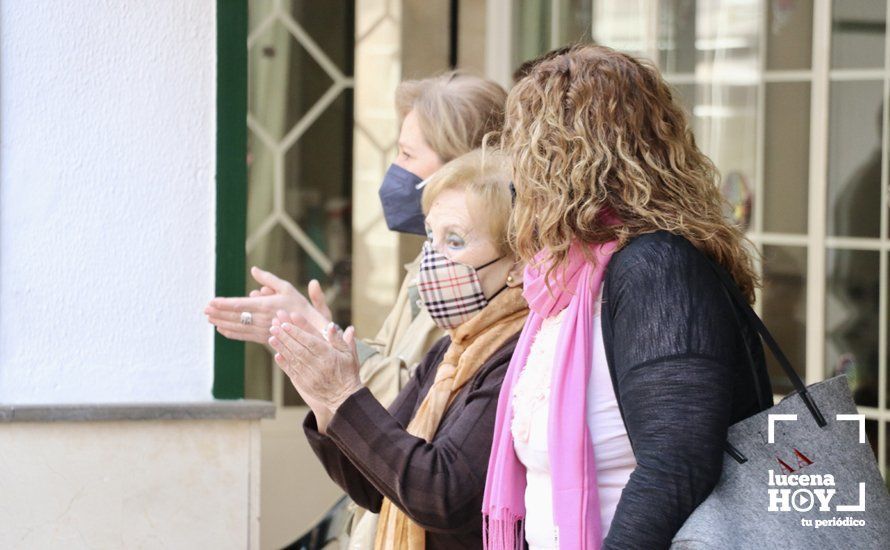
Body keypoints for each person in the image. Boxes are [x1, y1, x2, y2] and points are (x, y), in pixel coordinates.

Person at [482, 43, 773, 549]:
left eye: (524, 147)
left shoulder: (657, 267)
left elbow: (677, 465)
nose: (515, 170)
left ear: (560, 158)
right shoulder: (568, 282)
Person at [269, 150, 528, 549]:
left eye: (454, 240)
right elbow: (374, 486)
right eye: (430, 237)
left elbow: (441, 493)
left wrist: (345, 394)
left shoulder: (518, 354)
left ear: (517, 261)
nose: (432, 258)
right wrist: (324, 401)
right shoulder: (449, 350)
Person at [204, 71, 507, 406]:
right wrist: (314, 336)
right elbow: (388, 357)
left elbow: (418, 399)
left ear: (459, 166)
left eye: (407, 155)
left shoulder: (483, 272)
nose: (396, 168)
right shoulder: (430, 257)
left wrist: (318, 332)